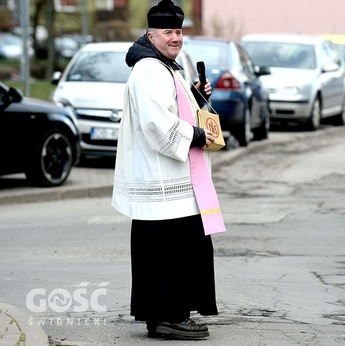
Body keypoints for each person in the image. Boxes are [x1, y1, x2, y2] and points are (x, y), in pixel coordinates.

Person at [111, 0, 226, 340]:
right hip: (161, 178)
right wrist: (197, 135)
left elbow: (170, 106)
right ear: (151, 35)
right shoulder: (149, 69)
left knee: (177, 249)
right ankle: (167, 316)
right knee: (167, 252)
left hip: (174, 178)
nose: (175, 38)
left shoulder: (166, 67)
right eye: (167, 32)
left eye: (178, 31)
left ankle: (168, 314)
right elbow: (157, 123)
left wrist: (192, 94)